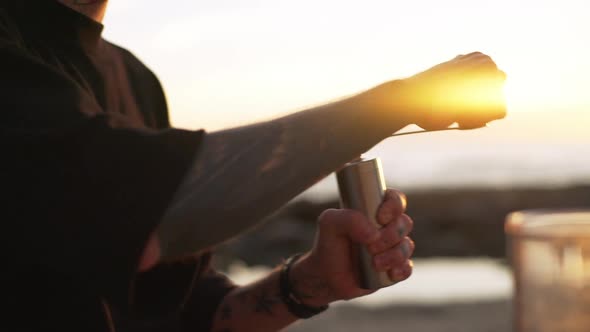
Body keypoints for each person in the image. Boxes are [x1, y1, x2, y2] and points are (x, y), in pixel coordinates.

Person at [0, 1, 506, 331]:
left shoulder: (134, 78)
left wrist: (309, 283)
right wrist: (395, 104)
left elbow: (190, 314)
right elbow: (156, 208)